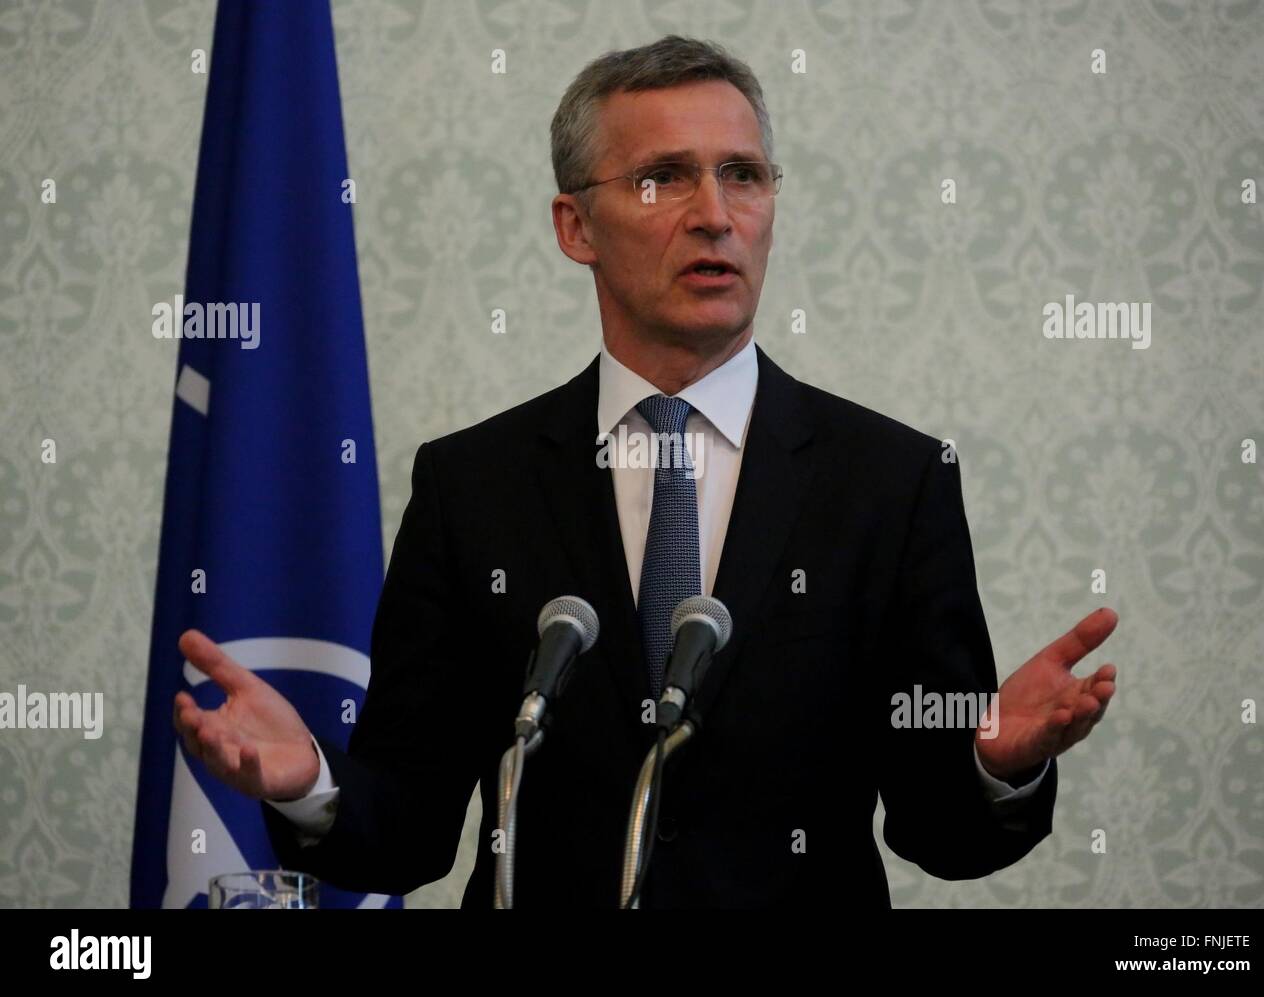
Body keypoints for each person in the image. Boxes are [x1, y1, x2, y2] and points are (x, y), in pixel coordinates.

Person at [173, 35, 1118, 908]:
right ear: (575, 225)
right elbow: (407, 825)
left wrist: (998, 762)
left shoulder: (890, 481)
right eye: (664, 179)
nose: (715, 214)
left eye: (742, 175)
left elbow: (942, 831)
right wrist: (310, 782)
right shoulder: (473, 484)